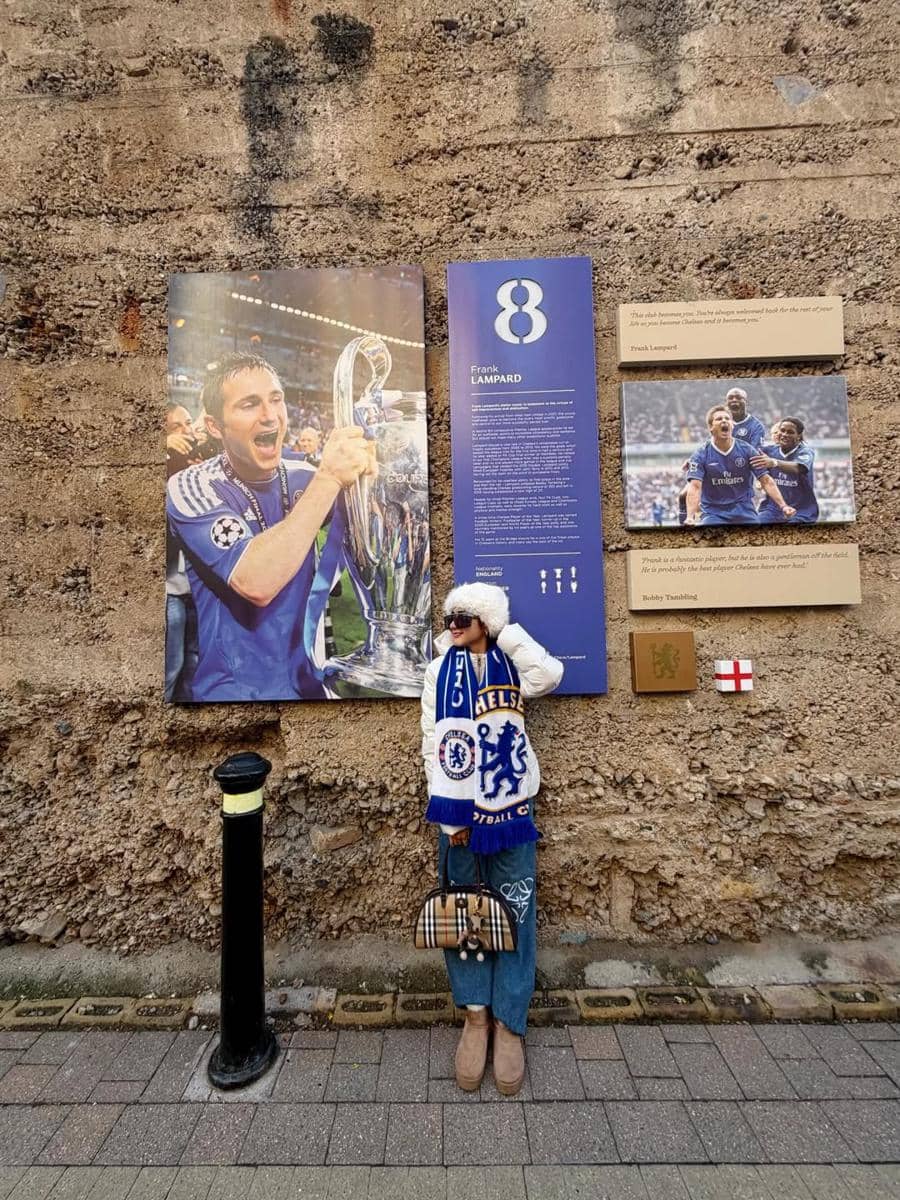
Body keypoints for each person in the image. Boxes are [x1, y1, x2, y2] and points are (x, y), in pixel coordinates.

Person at [420, 583, 563, 1095]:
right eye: (449, 615)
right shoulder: (439, 671)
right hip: (457, 818)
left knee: (516, 912)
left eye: (465, 615)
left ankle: (509, 1023)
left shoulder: (513, 665)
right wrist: (447, 820)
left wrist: (506, 633)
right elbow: (432, 740)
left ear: (486, 620)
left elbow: (550, 674)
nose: (453, 623)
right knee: (464, 915)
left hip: (511, 813)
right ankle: (475, 1017)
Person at [166, 353, 375, 701]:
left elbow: (378, 536)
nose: (270, 415)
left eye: (276, 399)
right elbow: (255, 581)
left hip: (311, 686)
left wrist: (379, 480)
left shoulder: (304, 479)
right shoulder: (192, 486)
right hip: (232, 694)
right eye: (249, 404)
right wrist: (329, 478)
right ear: (215, 426)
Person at [685, 406, 796, 525]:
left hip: (744, 510)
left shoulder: (747, 450)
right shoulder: (700, 454)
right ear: (711, 427)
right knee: (711, 539)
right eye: (719, 419)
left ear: (732, 425)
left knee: (756, 540)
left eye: (727, 418)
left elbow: (766, 481)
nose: (724, 421)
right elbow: (695, 487)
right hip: (714, 512)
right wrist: (690, 517)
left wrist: (783, 506)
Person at [752, 417, 819, 524]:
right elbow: (749, 452)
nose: (784, 434)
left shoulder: (806, 452)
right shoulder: (769, 451)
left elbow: (799, 467)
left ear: (799, 436)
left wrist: (774, 462)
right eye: (782, 431)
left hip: (801, 511)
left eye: (790, 432)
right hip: (773, 510)